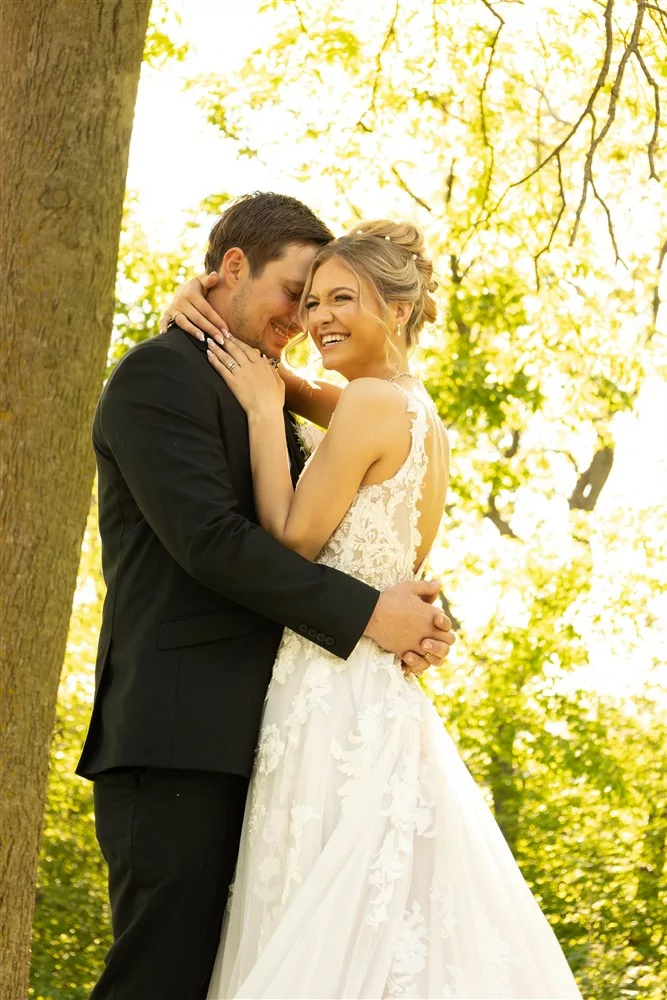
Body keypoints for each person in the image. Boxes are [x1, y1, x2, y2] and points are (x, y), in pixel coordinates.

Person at [168, 218, 583, 998]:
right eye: (311, 299)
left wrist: (262, 411)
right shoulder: (417, 413)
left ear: (396, 308)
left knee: (316, 913)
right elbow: (318, 398)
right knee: (379, 920)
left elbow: (290, 541)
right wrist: (228, 332)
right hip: (380, 691)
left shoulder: (364, 404)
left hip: (330, 697)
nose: (317, 317)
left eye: (341, 299)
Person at [76, 192, 455, 1000]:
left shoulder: (270, 386)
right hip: (178, 739)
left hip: (280, 735)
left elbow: (350, 496)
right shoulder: (157, 378)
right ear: (234, 268)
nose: (303, 316)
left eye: (326, 296)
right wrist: (371, 616)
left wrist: (400, 605)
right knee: (161, 976)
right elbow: (215, 544)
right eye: (297, 292)